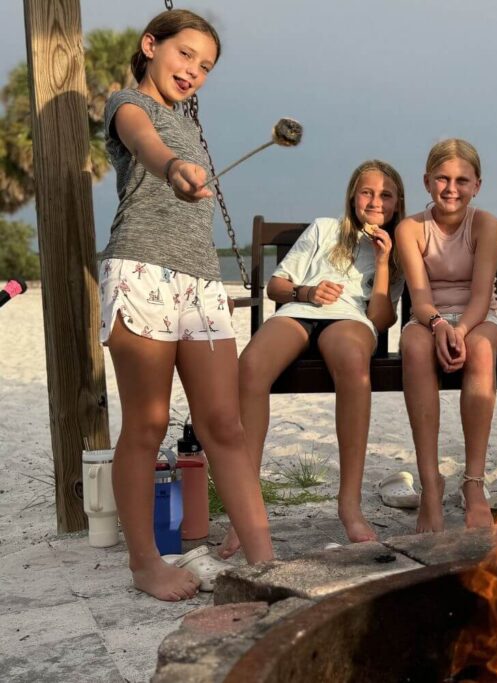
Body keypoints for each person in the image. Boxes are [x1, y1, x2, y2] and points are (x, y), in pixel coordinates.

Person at [97, 9, 273, 601]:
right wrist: (172, 165)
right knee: (146, 425)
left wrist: (187, 159)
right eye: (184, 55)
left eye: (206, 66)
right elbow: (144, 145)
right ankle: (145, 563)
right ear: (151, 46)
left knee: (224, 423)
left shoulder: (189, 122)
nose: (193, 70)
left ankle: (266, 561)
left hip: (201, 281)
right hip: (141, 269)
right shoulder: (129, 105)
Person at [216, 161, 406, 556]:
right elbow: (275, 287)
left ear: (397, 202)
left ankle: (349, 505)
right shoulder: (324, 229)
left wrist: (385, 263)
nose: (375, 201)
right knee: (250, 366)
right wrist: (307, 292)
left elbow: (380, 317)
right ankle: (245, 511)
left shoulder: (399, 248)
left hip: (351, 320)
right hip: (300, 312)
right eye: (367, 192)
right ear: (353, 195)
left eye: (385, 194)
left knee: (355, 366)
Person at [395, 139, 497, 533]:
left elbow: (480, 297)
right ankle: (430, 485)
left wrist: (459, 328)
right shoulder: (411, 228)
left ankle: (473, 484)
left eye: (462, 180)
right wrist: (440, 325)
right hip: (429, 318)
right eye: (442, 178)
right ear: (427, 182)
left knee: (479, 350)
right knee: (413, 345)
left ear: (477, 185)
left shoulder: (486, 224)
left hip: (479, 318)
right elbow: (420, 297)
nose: (451, 188)